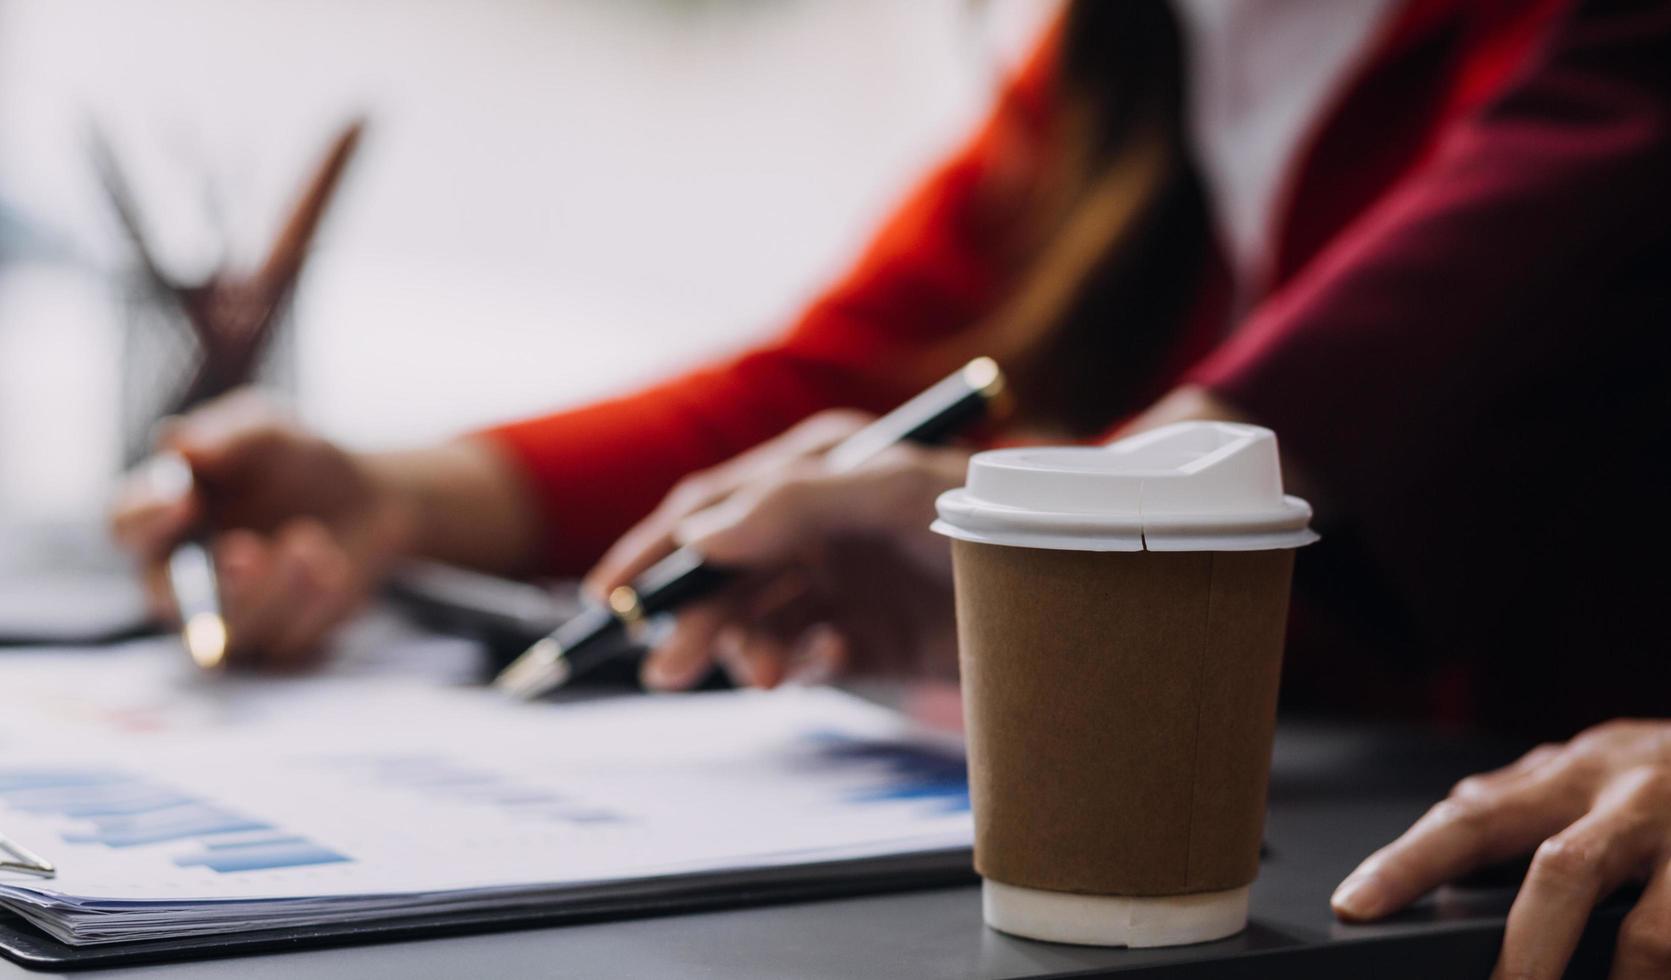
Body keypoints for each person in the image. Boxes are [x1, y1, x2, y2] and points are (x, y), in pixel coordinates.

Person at [112, 0, 1671, 975]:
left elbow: (1344, 389)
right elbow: (839, 386)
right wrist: (391, 494)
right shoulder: (1136, 45)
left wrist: (1009, 514)